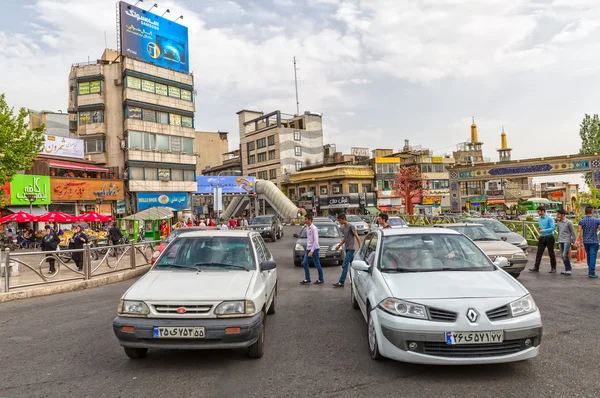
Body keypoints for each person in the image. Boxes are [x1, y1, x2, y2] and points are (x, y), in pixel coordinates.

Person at [333, 214, 362, 287]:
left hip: (351, 249)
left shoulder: (351, 226)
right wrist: (339, 245)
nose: (339, 222)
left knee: (345, 265)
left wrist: (360, 246)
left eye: (340, 220)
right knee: (353, 266)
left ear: (343, 219)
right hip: (346, 248)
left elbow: (357, 236)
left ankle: (341, 282)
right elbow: (345, 239)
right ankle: (357, 280)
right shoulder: (343, 227)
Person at [530, 206, 557, 273]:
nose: (537, 213)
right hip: (542, 237)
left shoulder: (550, 218)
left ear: (543, 211)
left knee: (551, 252)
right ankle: (536, 267)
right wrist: (539, 230)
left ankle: (553, 268)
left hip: (549, 237)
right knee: (539, 252)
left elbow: (553, 228)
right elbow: (540, 227)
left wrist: (544, 230)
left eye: (538, 211)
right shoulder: (539, 219)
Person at [576, 206, 600, 279]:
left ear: (585, 212)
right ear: (592, 212)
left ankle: (590, 269)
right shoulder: (597, 220)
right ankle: (591, 272)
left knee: (589, 256)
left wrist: (576, 240)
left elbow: (579, 231)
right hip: (594, 241)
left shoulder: (582, 221)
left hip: (586, 241)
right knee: (593, 256)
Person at [300, 214, 324, 285]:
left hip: (314, 249)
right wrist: (308, 248)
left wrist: (312, 251)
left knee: (317, 264)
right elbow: (309, 239)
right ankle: (307, 278)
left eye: (306, 219)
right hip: (308, 248)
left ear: (310, 220)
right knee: (304, 262)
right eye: (304, 219)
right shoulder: (307, 228)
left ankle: (321, 279)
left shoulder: (314, 228)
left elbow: (316, 241)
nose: (304, 220)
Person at [556, 209, 576, 275]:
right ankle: (566, 269)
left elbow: (573, 232)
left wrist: (574, 241)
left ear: (563, 215)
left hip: (567, 240)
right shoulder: (558, 222)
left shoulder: (569, 222)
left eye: (558, 214)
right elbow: (559, 231)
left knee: (565, 255)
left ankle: (568, 269)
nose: (557, 215)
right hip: (560, 240)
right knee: (562, 255)